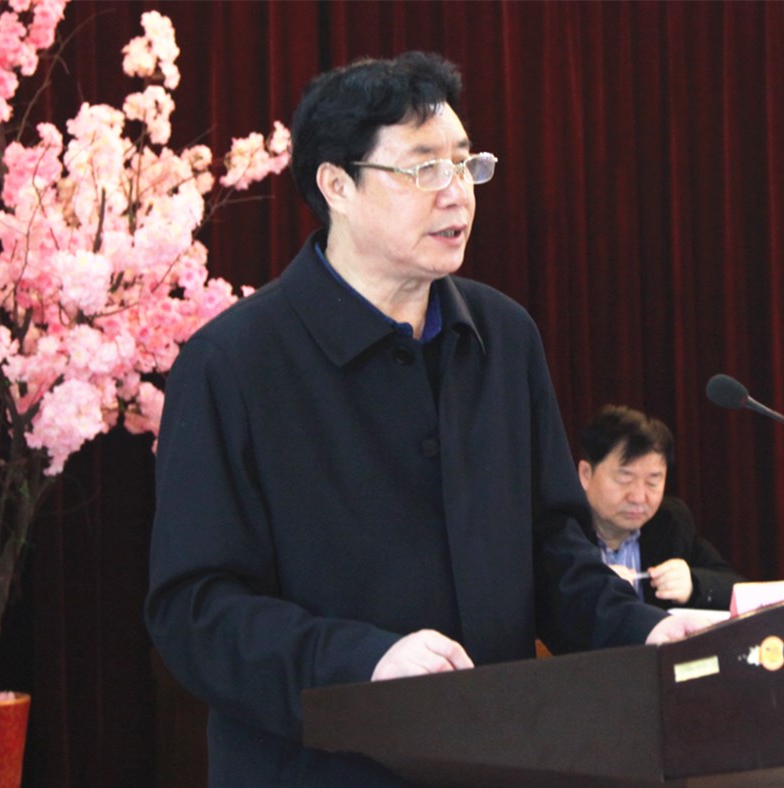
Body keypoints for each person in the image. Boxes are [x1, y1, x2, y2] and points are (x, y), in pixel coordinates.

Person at [144, 52, 700, 786]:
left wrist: (644, 631)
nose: (456, 194)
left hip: (497, 760)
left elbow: (550, 550)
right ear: (336, 186)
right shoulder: (233, 363)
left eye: (465, 165)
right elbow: (195, 611)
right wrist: (363, 661)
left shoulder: (503, 337)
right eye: (423, 169)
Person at [577, 405, 748, 610]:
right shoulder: (559, 529)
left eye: (653, 481)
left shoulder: (670, 521)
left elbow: (738, 588)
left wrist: (693, 584)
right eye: (624, 479)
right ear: (586, 474)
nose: (639, 497)